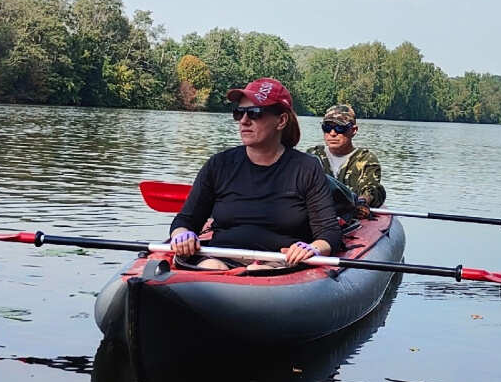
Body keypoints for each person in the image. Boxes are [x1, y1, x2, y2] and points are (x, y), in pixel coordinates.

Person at [165, 78, 343, 271]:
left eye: (254, 113)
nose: (244, 120)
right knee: (211, 266)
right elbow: (186, 220)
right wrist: (181, 235)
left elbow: (329, 233)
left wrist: (313, 249)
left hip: (280, 263)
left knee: (257, 271)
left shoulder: (307, 168)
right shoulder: (218, 164)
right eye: (239, 113)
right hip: (221, 257)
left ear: (281, 120)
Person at [306, 104, 386, 214]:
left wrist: (362, 202)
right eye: (327, 128)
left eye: (340, 128)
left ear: (353, 130)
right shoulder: (313, 154)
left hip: (351, 214)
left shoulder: (366, 159)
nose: (332, 133)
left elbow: (370, 188)